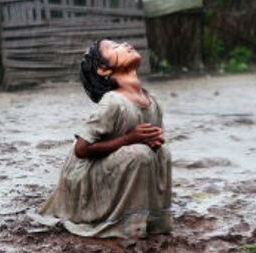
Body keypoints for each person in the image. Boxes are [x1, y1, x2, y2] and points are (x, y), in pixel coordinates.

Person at [38, 39, 172, 238]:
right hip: (84, 173)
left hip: (116, 164)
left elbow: (152, 141)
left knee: (162, 153)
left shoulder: (151, 101)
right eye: (113, 46)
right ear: (102, 69)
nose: (125, 43)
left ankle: (152, 220)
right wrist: (129, 139)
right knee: (140, 154)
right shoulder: (113, 102)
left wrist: (153, 141)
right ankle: (122, 223)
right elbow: (81, 149)